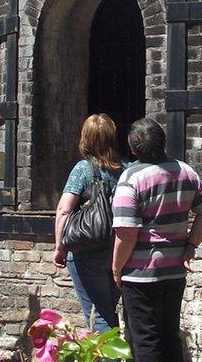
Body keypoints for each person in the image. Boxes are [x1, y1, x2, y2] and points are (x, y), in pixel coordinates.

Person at [111, 117, 202, 362]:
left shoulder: (131, 179)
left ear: (133, 148)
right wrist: (190, 246)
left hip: (140, 273)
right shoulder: (185, 171)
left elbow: (126, 233)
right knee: (169, 336)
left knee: (146, 339)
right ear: (163, 142)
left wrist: (116, 268)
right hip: (174, 270)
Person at [53, 113, 127, 332]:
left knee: (98, 313)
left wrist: (60, 247)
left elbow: (64, 209)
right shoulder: (127, 168)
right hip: (119, 249)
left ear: (85, 138)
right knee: (109, 308)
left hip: (87, 249)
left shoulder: (83, 169)